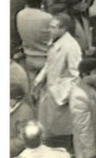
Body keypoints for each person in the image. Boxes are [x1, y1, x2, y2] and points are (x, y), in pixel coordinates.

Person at [33, 13, 82, 149]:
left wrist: (63, 95)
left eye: (53, 27)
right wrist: (39, 79)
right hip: (49, 90)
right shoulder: (54, 40)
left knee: (62, 132)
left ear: (63, 29)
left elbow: (76, 74)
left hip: (60, 95)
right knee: (49, 129)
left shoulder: (71, 46)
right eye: (50, 27)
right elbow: (49, 63)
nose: (50, 30)